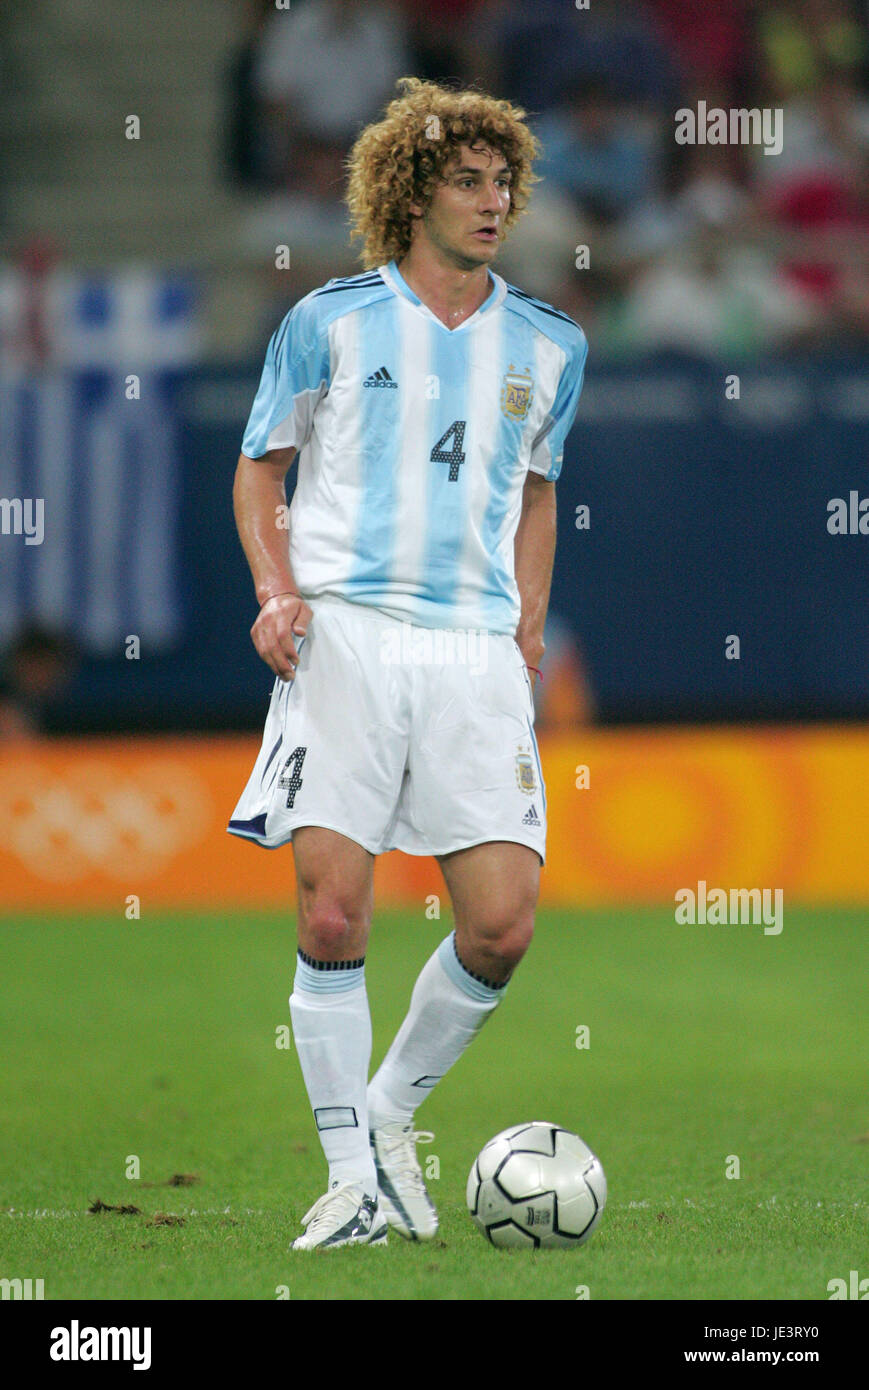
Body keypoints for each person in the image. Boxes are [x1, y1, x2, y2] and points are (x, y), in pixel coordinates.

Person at [228, 77, 588, 1250]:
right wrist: (277, 594)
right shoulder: (326, 320)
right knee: (334, 908)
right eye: (466, 182)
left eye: (503, 184)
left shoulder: (549, 345)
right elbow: (259, 471)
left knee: (501, 925)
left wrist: (528, 627)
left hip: (474, 653)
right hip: (347, 633)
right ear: (408, 190)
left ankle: (385, 1123)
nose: (492, 203)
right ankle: (347, 1182)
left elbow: (536, 495)